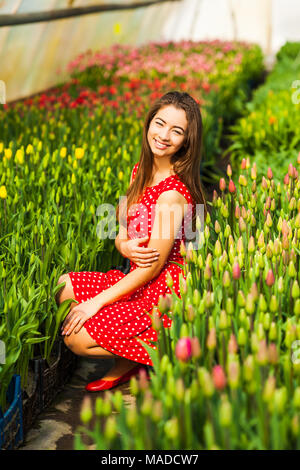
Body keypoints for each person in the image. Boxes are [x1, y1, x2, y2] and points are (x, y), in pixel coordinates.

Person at [56, 91, 207, 391]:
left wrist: (94, 304)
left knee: (76, 337)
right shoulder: (142, 170)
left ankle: (158, 350)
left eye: (176, 131)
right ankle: (129, 357)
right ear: (149, 122)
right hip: (137, 274)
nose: (163, 135)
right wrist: (123, 245)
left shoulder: (171, 196)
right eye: (160, 123)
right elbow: (123, 227)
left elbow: (151, 269)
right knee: (65, 286)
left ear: (187, 141)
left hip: (160, 289)